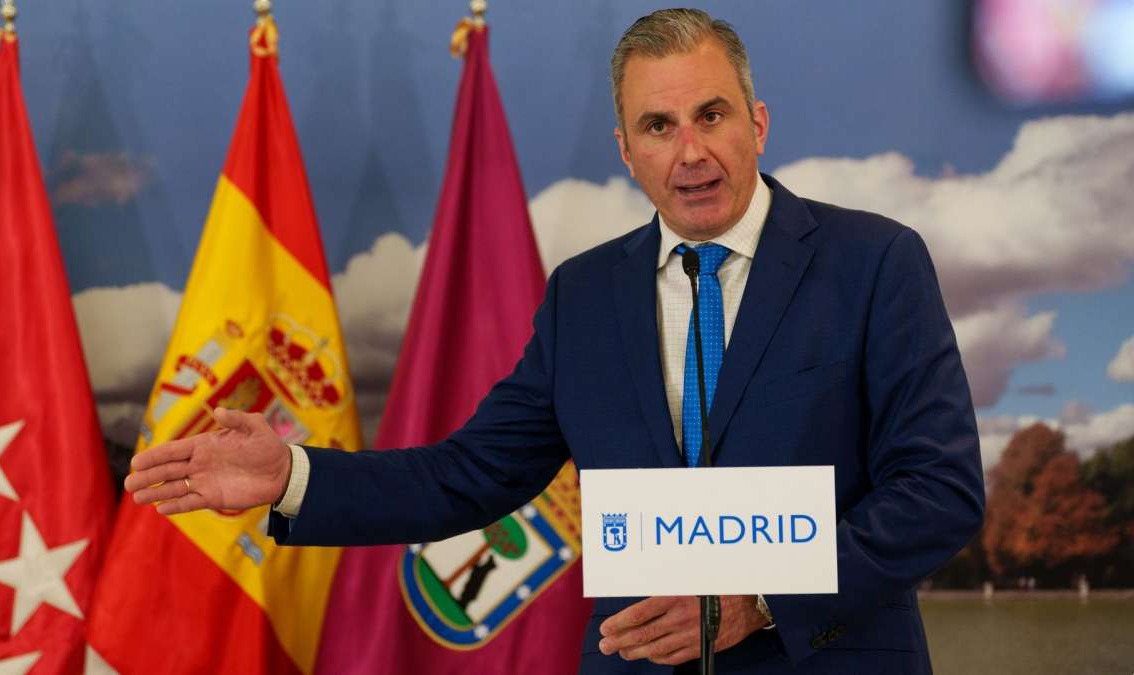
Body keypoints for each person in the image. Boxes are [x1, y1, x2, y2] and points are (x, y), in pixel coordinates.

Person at [126, 9, 984, 674]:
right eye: (658, 126)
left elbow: (939, 488)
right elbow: (469, 473)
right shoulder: (585, 295)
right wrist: (293, 475)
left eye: (711, 114)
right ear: (627, 150)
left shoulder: (873, 262)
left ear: (757, 123)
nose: (690, 151)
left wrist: (759, 599)